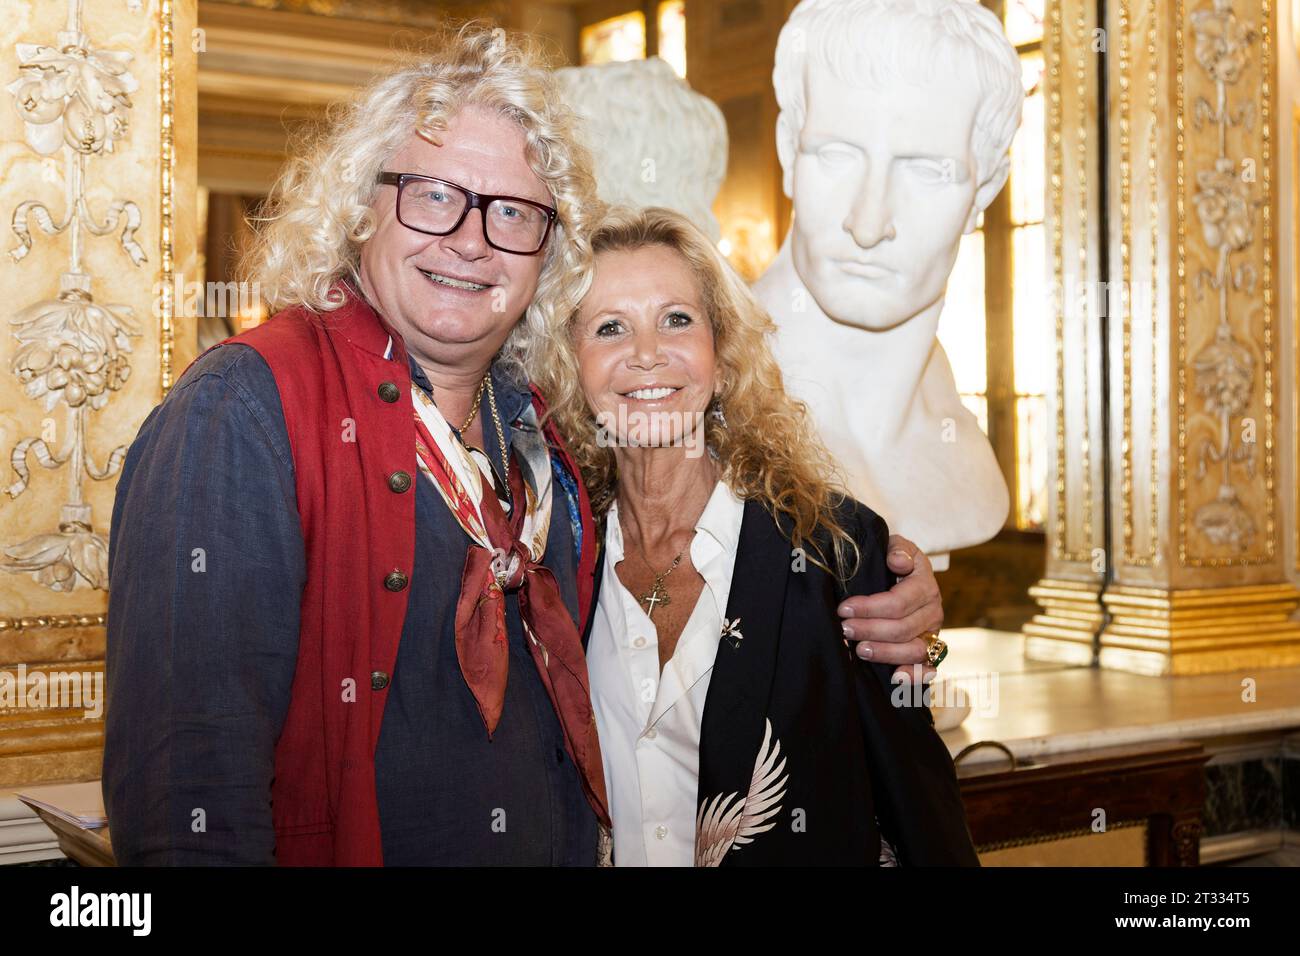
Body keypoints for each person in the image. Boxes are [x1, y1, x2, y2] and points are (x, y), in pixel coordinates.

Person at [102, 22, 946, 866]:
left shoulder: (547, 449)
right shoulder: (242, 408)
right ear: (362, 207)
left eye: (511, 212)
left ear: (544, 254)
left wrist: (890, 594)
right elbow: (188, 798)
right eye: (433, 194)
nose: (470, 239)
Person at [534, 206, 976, 866]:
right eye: (610, 327)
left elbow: (920, 804)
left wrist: (925, 648)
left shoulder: (834, 547)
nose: (648, 354)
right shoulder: (554, 554)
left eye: (677, 319)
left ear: (719, 347)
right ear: (572, 361)